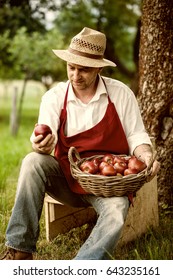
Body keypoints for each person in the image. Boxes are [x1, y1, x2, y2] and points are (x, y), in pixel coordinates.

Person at [1, 27, 160, 260]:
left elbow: (136, 135)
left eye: (83, 69)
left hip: (109, 184)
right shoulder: (54, 97)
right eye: (71, 68)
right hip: (67, 178)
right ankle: (19, 250)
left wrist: (146, 155)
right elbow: (46, 133)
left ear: (99, 68)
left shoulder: (121, 94)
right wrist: (42, 144)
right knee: (32, 161)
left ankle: (81, 268)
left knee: (116, 212)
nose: (75, 76)